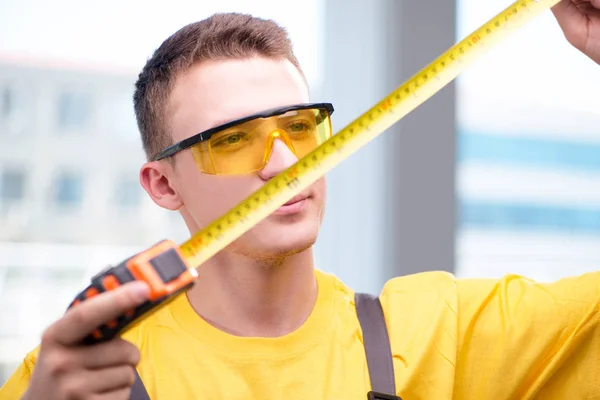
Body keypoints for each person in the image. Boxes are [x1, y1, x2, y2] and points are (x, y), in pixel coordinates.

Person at [1, 1, 599, 399]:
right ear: (163, 185)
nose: (286, 164)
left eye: (300, 127)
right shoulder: (80, 377)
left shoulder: (438, 335)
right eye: (233, 141)